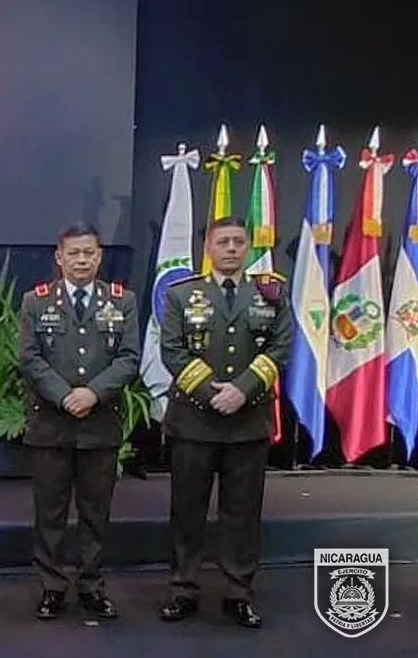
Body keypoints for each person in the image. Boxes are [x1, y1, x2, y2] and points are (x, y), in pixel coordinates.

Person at [157, 216, 291, 629]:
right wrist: (211, 392)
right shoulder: (182, 294)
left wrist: (242, 389)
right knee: (187, 512)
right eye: (223, 242)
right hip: (194, 422)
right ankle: (183, 590)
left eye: (238, 242)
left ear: (248, 247)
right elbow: (172, 350)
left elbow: (282, 346)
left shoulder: (270, 292)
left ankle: (238, 593)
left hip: (247, 422)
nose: (231, 248)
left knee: (243, 514)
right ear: (208, 248)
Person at [18, 223, 140, 621]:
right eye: (74, 253)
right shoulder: (36, 302)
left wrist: (93, 393)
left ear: (99, 256)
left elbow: (129, 358)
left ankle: (91, 586)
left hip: (99, 424)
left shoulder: (122, 301)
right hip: (51, 426)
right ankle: (52, 588)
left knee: (95, 514)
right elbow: (30, 358)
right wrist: (64, 395)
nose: (82, 260)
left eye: (89, 253)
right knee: (50, 515)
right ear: (60, 257)